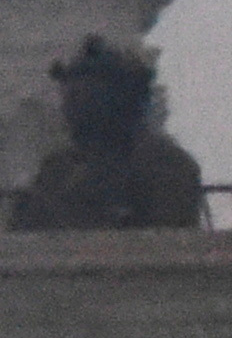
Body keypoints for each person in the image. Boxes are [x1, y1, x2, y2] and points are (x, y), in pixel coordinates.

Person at [12, 37, 207, 231]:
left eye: (78, 98)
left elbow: (165, 240)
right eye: (68, 98)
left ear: (115, 101)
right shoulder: (56, 169)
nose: (66, 110)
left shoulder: (166, 164)